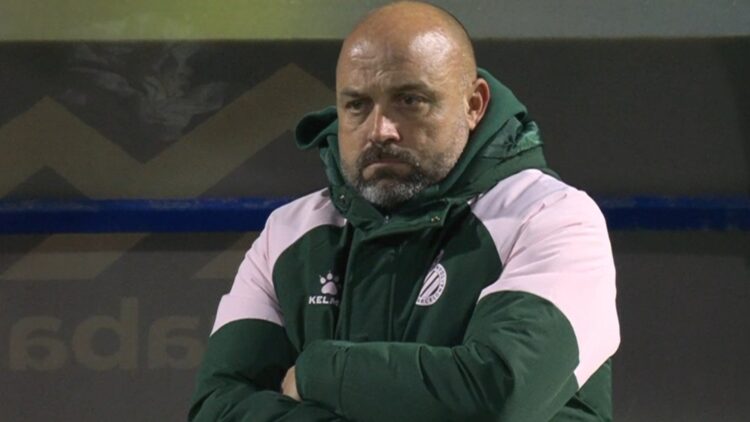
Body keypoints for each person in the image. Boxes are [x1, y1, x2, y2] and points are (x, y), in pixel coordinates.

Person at [189, 1, 619, 421]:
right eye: (357, 105)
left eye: (410, 100)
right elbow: (216, 406)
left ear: (474, 105)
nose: (380, 130)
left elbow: (499, 395)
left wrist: (315, 373)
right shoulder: (288, 233)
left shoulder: (550, 216)